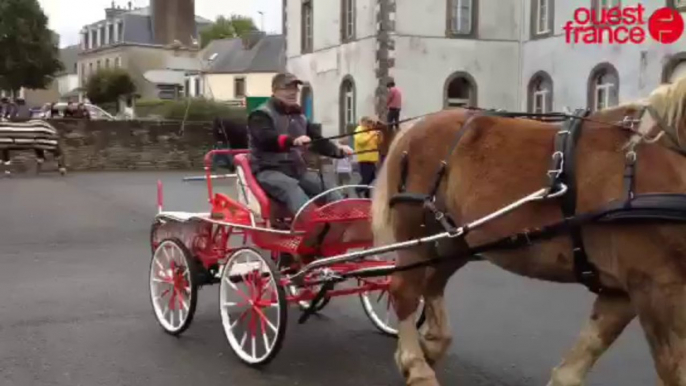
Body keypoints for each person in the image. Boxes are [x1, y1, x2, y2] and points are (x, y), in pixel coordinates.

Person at [247, 72, 354, 216]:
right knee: (291, 187)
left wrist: (337, 151)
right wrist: (293, 141)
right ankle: (312, 225)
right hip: (267, 170)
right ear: (274, 90)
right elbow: (266, 138)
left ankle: (347, 219)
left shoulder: (300, 116)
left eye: (295, 88)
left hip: (296, 170)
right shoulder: (260, 115)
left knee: (327, 186)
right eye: (287, 88)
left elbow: (316, 140)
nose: (292, 92)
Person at [353, 116, 380, 198]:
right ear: (363, 122)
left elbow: (376, 142)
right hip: (364, 159)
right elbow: (362, 141)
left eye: (371, 122)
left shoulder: (370, 131)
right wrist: (372, 134)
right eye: (368, 122)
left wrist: (379, 136)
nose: (370, 124)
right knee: (366, 179)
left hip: (372, 159)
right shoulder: (359, 130)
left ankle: (367, 194)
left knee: (372, 178)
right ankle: (358, 189)